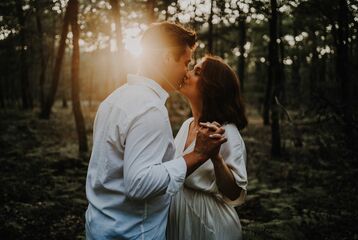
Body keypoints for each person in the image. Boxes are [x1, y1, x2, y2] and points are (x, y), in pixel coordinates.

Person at [85, 22, 227, 240]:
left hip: (100, 227)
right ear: (167, 57)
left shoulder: (114, 99)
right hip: (133, 233)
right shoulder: (149, 108)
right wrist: (197, 155)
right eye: (186, 62)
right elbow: (139, 184)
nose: (186, 72)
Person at [167, 56, 248, 240]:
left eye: (197, 72)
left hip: (209, 224)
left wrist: (216, 158)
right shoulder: (187, 125)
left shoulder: (227, 132)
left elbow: (234, 193)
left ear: (212, 87)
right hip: (178, 220)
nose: (187, 73)